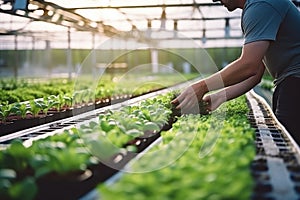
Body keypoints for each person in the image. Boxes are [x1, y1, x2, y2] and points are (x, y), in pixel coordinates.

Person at [171, 0, 300, 145]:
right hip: (289, 82)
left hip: (295, 82)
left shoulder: (261, 5)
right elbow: (256, 72)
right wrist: (219, 97)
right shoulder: (257, 8)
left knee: (292, 145)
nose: (215, 0)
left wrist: (201, 87)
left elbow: (248, 65)